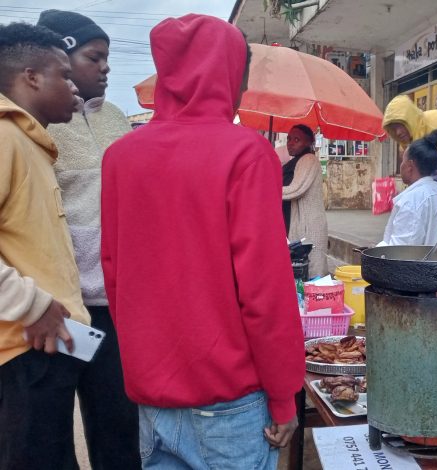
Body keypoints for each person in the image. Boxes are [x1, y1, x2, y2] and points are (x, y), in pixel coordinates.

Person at [100, 14, 305, 469]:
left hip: (153, 394)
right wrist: (283, 395)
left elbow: (115, 276)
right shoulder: (246, 153)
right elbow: (265, 291)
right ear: (226, 72)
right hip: (229, 399)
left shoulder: (120, 158)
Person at [36, 10, 140, 469]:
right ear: (62, 55)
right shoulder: (39, 124)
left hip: (116, 307)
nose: (106, 67)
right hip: (57, 311)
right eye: (94, 57)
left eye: (108, 58)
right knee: (50, 429)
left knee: (118, 421)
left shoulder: (117, 118)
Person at [0, 22, 90, 469]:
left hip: (46, 349)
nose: (74, 87)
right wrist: (32, 303)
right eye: (64, 75)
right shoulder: (3, 136)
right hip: (22, 353)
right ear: (31, 76)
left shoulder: (28, 141)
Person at [377, 130, 437, 247]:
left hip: (418, 265)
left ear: (410, 165)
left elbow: (400, 252)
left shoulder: (412, 200)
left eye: (403, 160)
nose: (401, 165)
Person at [282, 123, 329, 278]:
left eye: (297, 139)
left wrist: (268, 191)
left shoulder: (308, 159)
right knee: (302, 271)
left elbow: (296, 189)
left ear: (309, 142)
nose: (290, 142)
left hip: (309, 226)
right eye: (289, 138)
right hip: (300, 224)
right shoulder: (296, 161)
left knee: (311, 272)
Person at [382, 94, 437, 174]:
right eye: (393, 128)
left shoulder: (433, 126)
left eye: (400, 125)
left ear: (410, 119)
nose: (398, 132)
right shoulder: (408, 142)